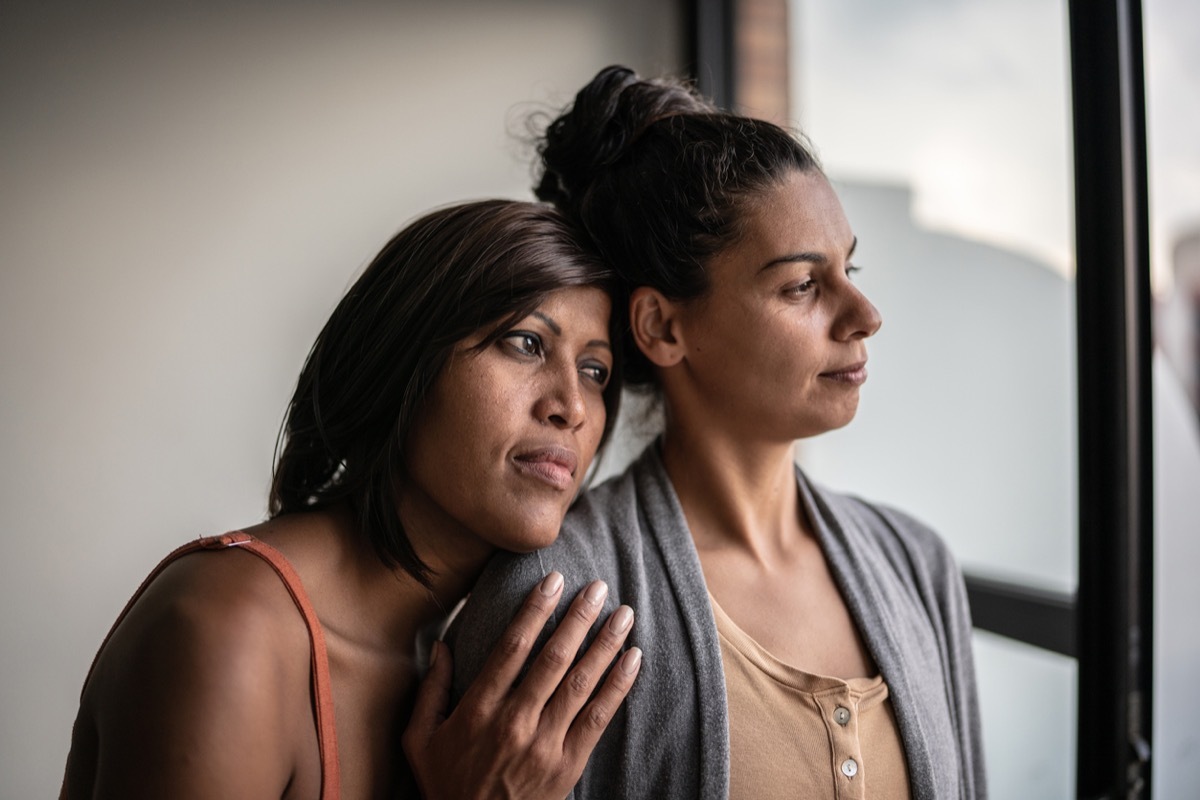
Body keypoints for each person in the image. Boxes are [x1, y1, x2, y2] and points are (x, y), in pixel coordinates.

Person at [444, 67, 986, 799]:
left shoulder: (918, 567)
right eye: (802, 285)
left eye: (849, 268)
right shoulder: (556, 598)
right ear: (663, 327)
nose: (865, 314)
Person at [60, 199, 644, 799]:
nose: (571, 407)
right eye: (525, 343)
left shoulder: (456, 669)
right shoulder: (230, 632)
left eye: (595, 371)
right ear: (403, 359)